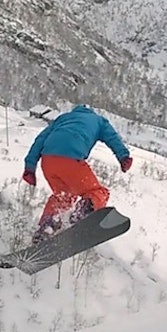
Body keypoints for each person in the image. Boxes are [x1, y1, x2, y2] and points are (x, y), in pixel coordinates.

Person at [22, 104, 133, 242]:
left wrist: (30, 167)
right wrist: (124, 157)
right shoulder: (99, 121)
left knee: (63, 197)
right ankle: (82, 214)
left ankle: (45, 229)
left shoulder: (63, 118)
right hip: (71, 159)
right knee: (98, 192)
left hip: (48, 162)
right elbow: (113, 138)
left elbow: (40, 140)